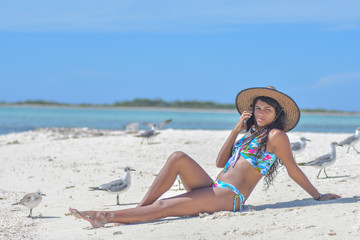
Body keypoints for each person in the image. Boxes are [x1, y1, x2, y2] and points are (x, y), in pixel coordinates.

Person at [69, 86, 341, 228]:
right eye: (257, 108)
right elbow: (220, 163)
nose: (260, 113)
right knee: (178, 157)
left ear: (277, 114)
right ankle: (139, 210)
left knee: (164, 208)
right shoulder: (248, 135)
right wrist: (236, 130)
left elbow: (293, 170)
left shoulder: (276, 137)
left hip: (229, 196)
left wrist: (317, 196)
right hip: (214, 185)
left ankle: (105, 216)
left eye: (266, 110)